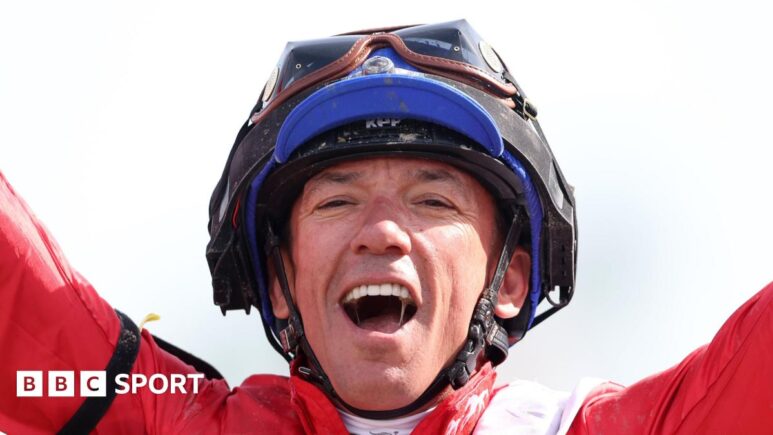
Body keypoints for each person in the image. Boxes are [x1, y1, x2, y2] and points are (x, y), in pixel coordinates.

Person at [0, 20, 771, 434]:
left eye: (432, 201)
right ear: (279, 282)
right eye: (335, 201)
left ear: (507, 280)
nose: (381, 232)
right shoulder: (160, 422)